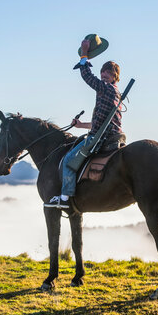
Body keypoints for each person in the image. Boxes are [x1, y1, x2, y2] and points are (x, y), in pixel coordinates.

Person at [44, 37, 123, 209]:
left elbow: (87, 76)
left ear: (114, 76)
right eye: (103, 71)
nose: (103, 74)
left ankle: (65, 198)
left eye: (108, 72)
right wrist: (81, 125)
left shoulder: (107, 88)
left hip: (103, 137)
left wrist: (85, 53)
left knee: (68, 161)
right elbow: (101, 122)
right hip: (108, 133)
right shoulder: (114, 92)